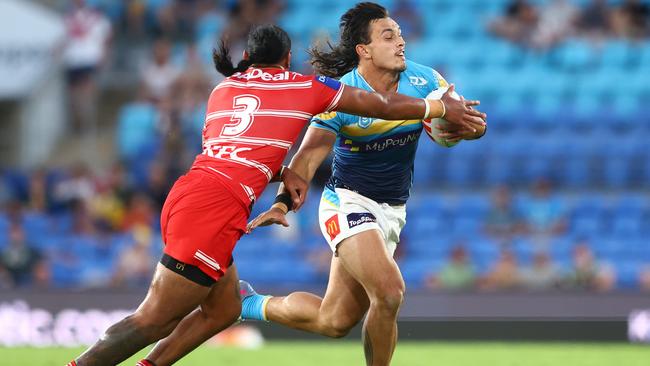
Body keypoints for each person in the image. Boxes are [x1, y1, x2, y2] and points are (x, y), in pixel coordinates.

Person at [68, 23, 484, 366]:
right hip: (218, 205)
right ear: (287, 59)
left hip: (193, 191)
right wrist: (438, 110)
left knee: (226, 309)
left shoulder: (223, 91)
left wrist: (281, 178)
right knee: (154, 319)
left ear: (248, 59)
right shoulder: (303, 86)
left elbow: (236, 151)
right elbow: (380, 106)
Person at [244, 3, 486, 366]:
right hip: (347, 203)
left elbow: (470, 122)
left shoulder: (426, 81)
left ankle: (246, 302)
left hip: (392, 211)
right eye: (389, 36)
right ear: (364, 50)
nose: (401, 42)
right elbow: (308, 157)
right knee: (389, 293)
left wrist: (472, 128)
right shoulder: (341, 96)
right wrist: (280, 203)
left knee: (334, 320)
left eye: (401, 34)